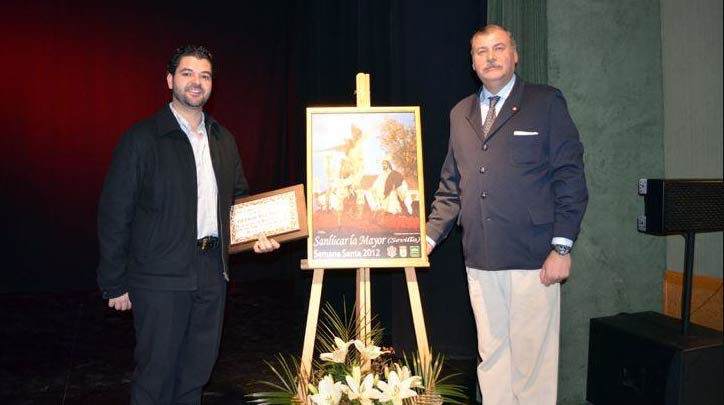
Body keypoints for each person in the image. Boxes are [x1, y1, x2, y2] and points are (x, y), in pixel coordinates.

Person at [97, 45, 280, 404]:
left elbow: (239, 200)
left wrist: (259, 235)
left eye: (205, 75)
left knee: (196, 373)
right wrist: (114, 282)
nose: (196, 82)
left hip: (212, 272)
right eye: (187, 73)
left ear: (212, 85)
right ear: (169, 80)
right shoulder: (142, 138)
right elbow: (114, 212)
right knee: (156, 376)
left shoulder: (223, 139)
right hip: (159, 276)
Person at [426, 25, 587, 405]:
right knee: (492, 361)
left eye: (499, 48)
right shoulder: (459, 113)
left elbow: (570, 176)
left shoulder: (546, 103)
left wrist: (561, 248)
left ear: (515, 55)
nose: (491, 57)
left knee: (533, 367)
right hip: (480, 259)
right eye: (481, 51)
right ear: (472, 62)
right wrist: (427, 238)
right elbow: (451, 187)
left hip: (535, 260)